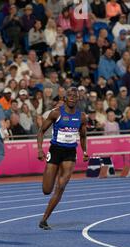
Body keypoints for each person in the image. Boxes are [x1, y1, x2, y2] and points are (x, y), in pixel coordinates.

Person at [36, 87, 88, 230]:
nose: (72, 97)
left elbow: (83, 136)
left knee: (61, 186)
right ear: (65, 98)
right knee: (47, 190)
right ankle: (52, 174)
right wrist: (40, 149)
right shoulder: (56, 113)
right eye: (69, 95)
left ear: (78, 99)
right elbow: (41, 131)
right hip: (55, 151)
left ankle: (44, 219)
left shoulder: (82, 116)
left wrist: (84, 151)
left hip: (70, 153)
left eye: (75, 96)